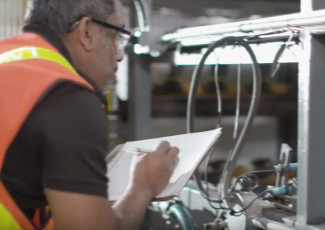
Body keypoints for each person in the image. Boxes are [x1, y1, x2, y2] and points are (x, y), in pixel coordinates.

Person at [0, 0, 179, 230]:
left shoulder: (9, 58)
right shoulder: (66, 96)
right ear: (86, 32)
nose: (119, 56)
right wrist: (143, 187)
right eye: (118, 37)